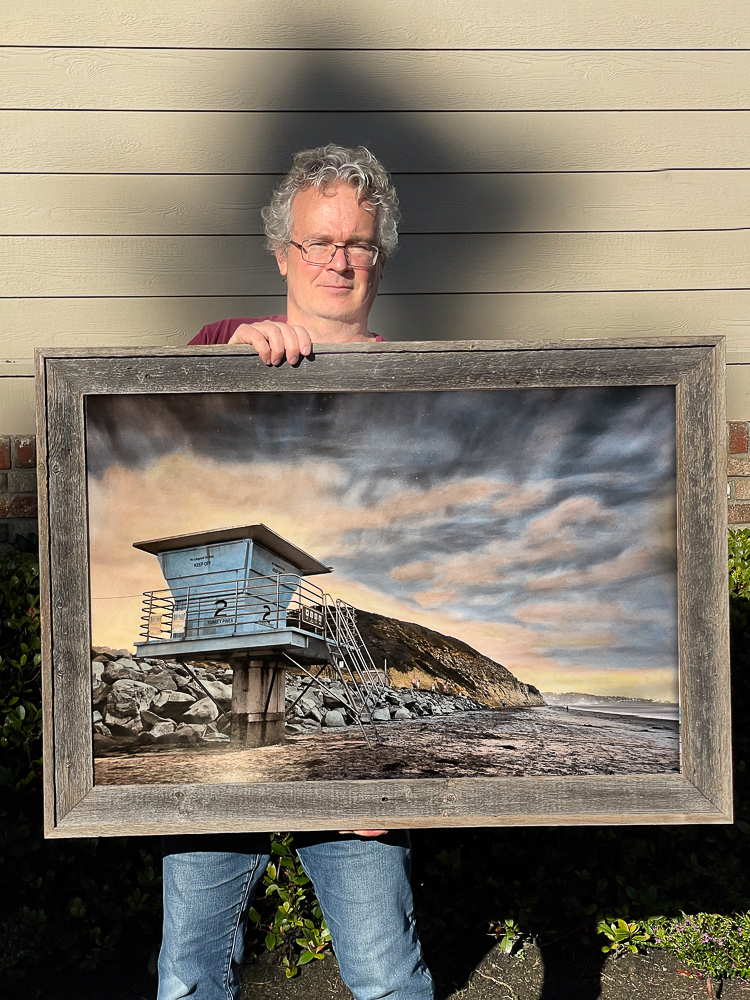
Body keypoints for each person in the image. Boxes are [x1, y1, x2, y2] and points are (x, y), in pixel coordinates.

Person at [158, 145, 434, 1000]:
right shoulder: (222, 348)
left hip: (347, 771)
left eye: (357, 243)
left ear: (379, 255)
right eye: (318, 242)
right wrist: (228, 350)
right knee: (189, 971)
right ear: (282, 254)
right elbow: (155, 406)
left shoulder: (416, 385)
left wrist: (400, 780)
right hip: (214, 757)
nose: (338, 261)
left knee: (387, 972)